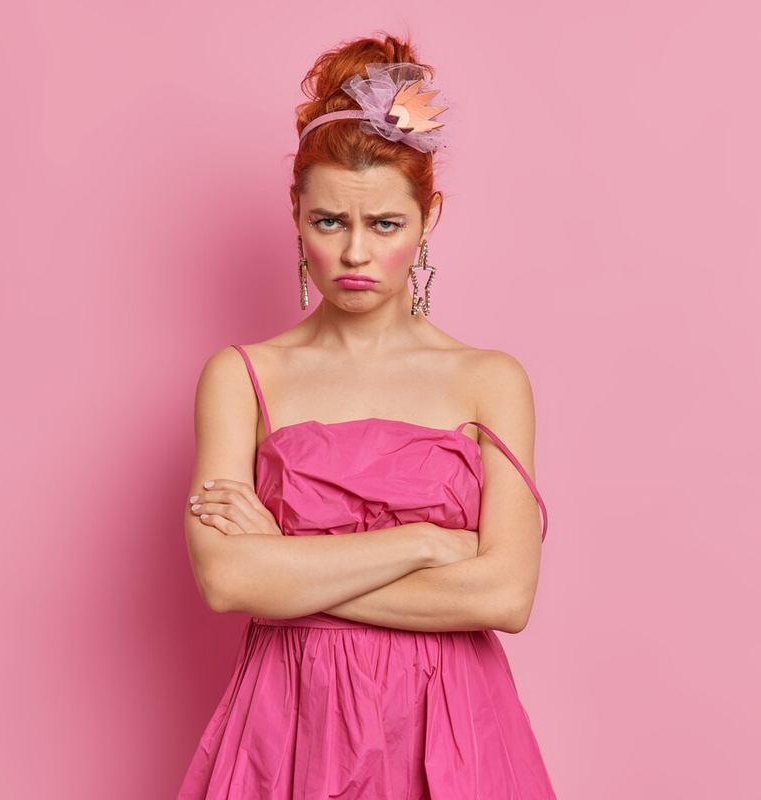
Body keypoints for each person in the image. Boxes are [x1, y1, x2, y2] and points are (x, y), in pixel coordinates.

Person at [177, 32, 555, 799]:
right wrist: (426, 543)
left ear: (427, 218)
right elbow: (226, 580)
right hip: (290, 726)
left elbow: (504, 597)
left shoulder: (490, 381)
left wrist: (286, 568)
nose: (355, 254)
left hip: (452, 727)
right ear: (295, 213)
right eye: (329, 222)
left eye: (384, 225)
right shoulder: (241, 377)